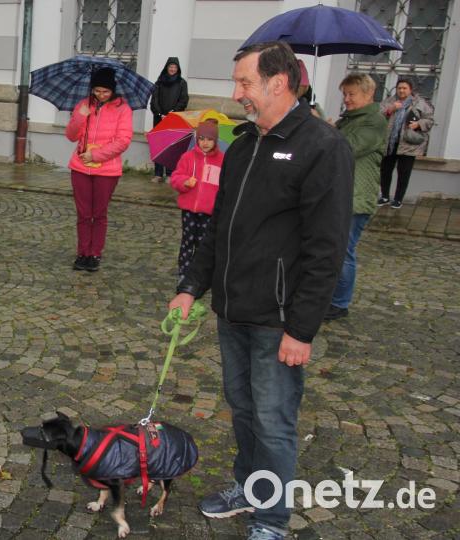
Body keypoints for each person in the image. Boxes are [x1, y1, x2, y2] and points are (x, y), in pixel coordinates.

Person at [168, 42, 353, 540]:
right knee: (244, 410)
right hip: (234, 311)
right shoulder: (245, 144)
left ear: (279, 82)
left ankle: (270, 519)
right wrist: (191, 287)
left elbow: (326, 249)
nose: (237, 94)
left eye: (245, 83)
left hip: (278, 321)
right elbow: (218, 226)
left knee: (273, 422)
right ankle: (249, 486)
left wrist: (301, 328)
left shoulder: (322, 147)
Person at [324, 74, 386, 321]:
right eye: (344, 94)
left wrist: (326, 130)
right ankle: (330, 297)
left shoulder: (374, 121)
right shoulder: (349, 120)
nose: (346, 99)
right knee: (333, 249)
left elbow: (348, 147)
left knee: (344, 251)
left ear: (368, 94)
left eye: (351, 94)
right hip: (342, 195)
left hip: (357, 198)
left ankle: (340, 303)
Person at [65, 67, 133, 272]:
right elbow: (71, 135)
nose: (101, 95)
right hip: (80, 168)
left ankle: (95, 253)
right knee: (84, 213)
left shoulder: (123, 109)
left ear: (113, 90)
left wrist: (95, 155)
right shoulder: (83, 105)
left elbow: (123, 141)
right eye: (97, 90)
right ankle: (82, 252)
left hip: (107, 170)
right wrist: (80, 117)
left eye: (105, 91)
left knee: (99, 213)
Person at [169, 119, 223, 282]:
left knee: (203, 244)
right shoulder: (188, 157)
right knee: (188, 241)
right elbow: (175, 177)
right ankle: (184, 272)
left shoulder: (222, 160)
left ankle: (200, 274)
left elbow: (225, 184)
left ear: (215, 140)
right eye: (202, 139)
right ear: (197, 139)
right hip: (189, 209)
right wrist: (184, 182)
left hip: (209, 211)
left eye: (209, 139)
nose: (205, 143)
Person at [378, 78, 434, 209]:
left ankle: (398, 199)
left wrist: (418, 124)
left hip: (408, 144)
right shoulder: (389, 102)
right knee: (385, 170)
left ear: (410, 90)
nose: (401, 90)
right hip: (389, 143)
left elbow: (430, 120)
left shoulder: (419, 103)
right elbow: (377, 117)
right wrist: (390, 109)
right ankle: (385, 196)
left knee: (404, 172)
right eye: (399, 88)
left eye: (404, 88)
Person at [149, 57, 188, 182]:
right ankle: (158, 174)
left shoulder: (182, 83)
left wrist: (172, 112)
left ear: (178, 69)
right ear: (167, 67)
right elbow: (153, 100)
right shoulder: (159, 82)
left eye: (175, 67)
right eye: (170, 67)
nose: (172, 69)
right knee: (159, 146)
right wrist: (160, 113)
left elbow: (183, 100)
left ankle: (170, 174)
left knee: (172, 145)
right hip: (159, 118)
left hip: (174, 119)